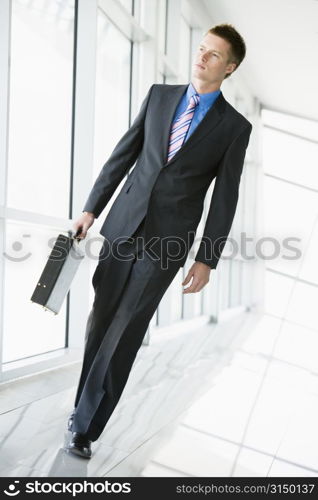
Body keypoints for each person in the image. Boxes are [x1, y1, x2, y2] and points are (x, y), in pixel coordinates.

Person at [67, 23, 252, 458]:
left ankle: (85, 429)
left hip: (168, 242)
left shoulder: (234, 127)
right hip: (123, 225)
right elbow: (123, 154)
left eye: (213, 54)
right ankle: (80, 409)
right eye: (201, 48)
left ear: (230, 67)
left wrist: (207, 258)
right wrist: (91, 209)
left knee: (126, 328)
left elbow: (226, 196)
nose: (201, 57)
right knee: (101, 319)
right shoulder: (158, 96)